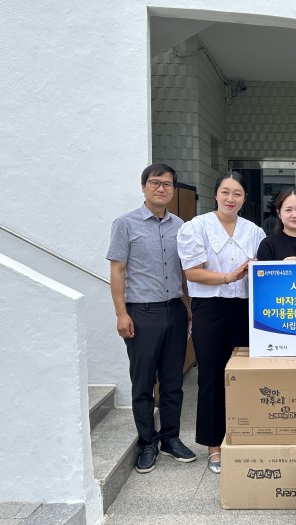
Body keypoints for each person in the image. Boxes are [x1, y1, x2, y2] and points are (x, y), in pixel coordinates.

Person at [107, 163, 196, 474]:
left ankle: (170, 438)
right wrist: (121, 313)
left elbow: (183, 271)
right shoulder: (125, 224)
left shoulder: (180, 226)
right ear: (144, 186)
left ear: (173, 190)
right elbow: (117, 270)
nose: (161, 188)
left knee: (173, 381)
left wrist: (188, 307)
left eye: (167, 184)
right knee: (143, 382)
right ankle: (147, 443)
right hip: (141, 312)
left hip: (174, 310)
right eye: (155, 183)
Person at [177, 171, 265, 474]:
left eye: (237, 193)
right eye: (225, 192)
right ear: (215, 194)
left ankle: (243, 436)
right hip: (210, 308)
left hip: (244, 308)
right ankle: (213, 445)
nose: (231, 198)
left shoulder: (254, 231)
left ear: (244, 198)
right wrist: (229, 277)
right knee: (212, 376)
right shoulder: (195, 227)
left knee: (244, 374)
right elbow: (193, 272)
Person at [256, 187, 296, 261]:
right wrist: (284, 266)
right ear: (279, 213)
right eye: (288, 210)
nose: (294, 215)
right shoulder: (268, 245)